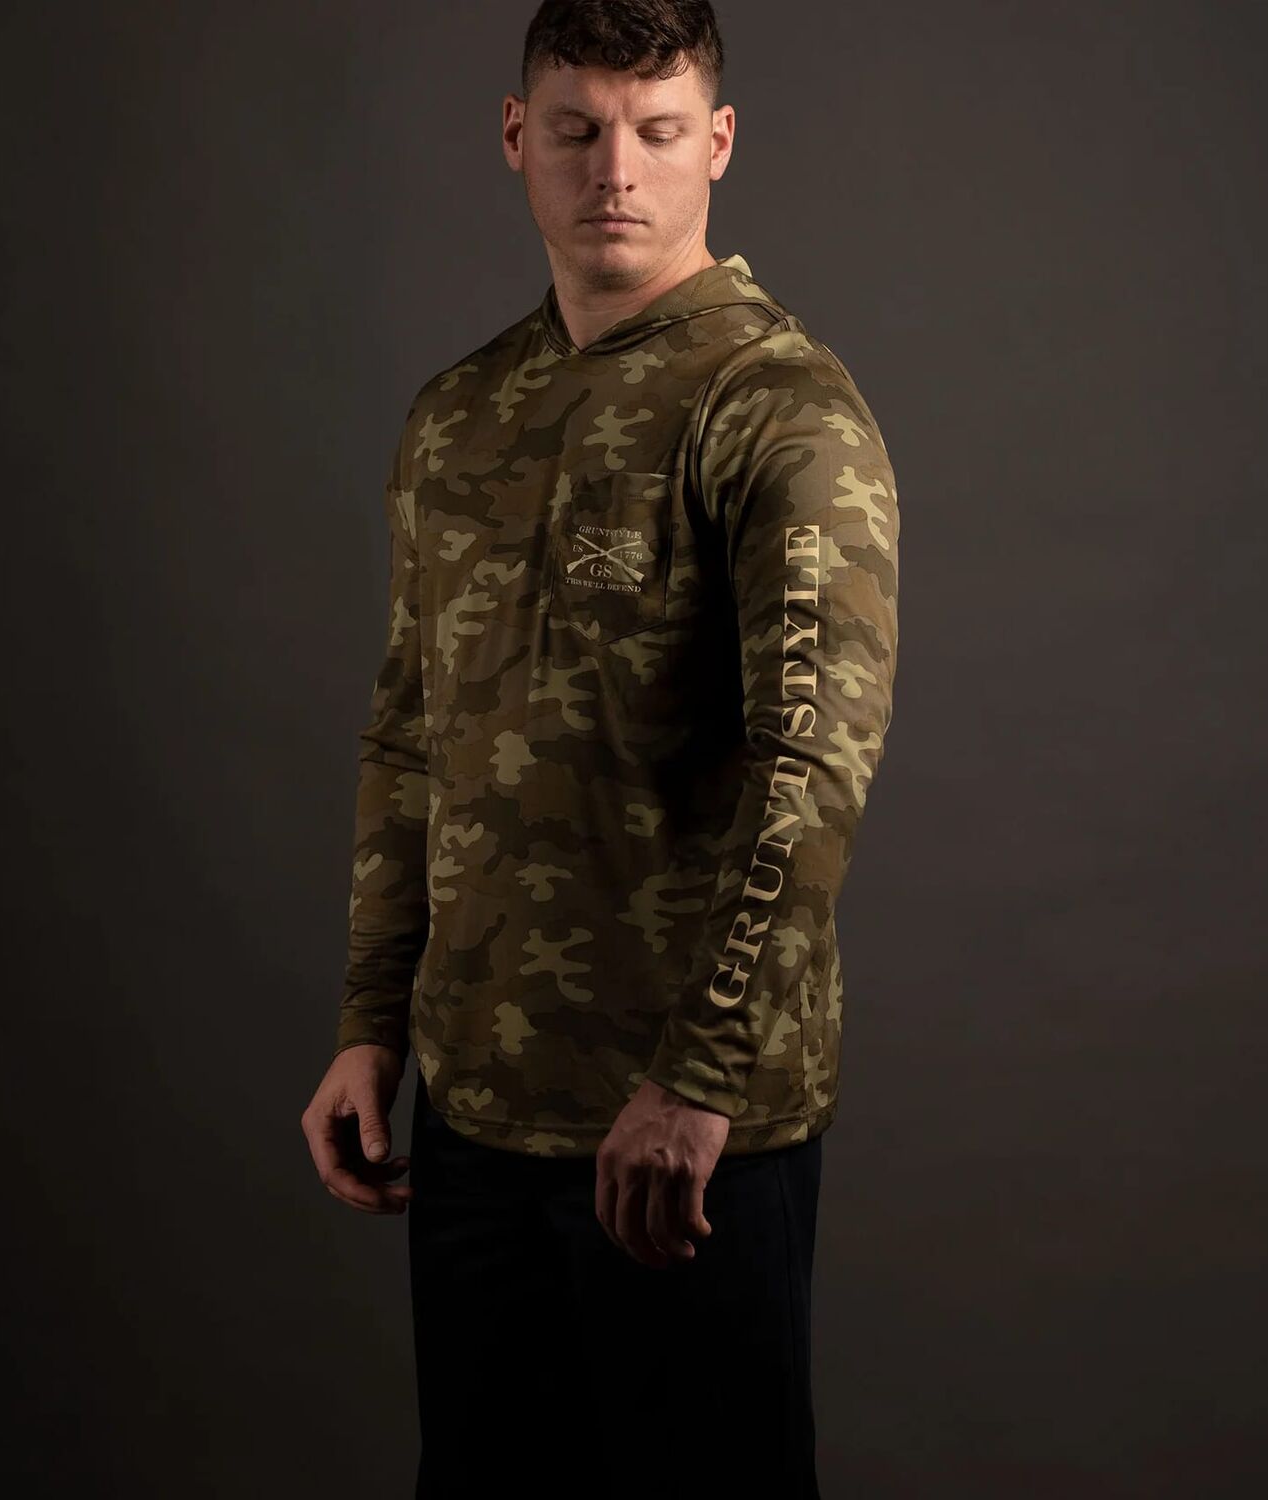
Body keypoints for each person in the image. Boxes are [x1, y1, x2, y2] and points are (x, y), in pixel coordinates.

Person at [300, 3, 901, 1494]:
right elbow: (412, 734)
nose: (614, 170)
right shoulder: (458, 416)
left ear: (719, 143)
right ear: (519, 139)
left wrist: (699, 1079)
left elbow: (810, 769)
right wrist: (373, 1021)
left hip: (687, 1136)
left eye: (656, 129)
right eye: (575, 129)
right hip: (477, 1117)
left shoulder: (777, 409)